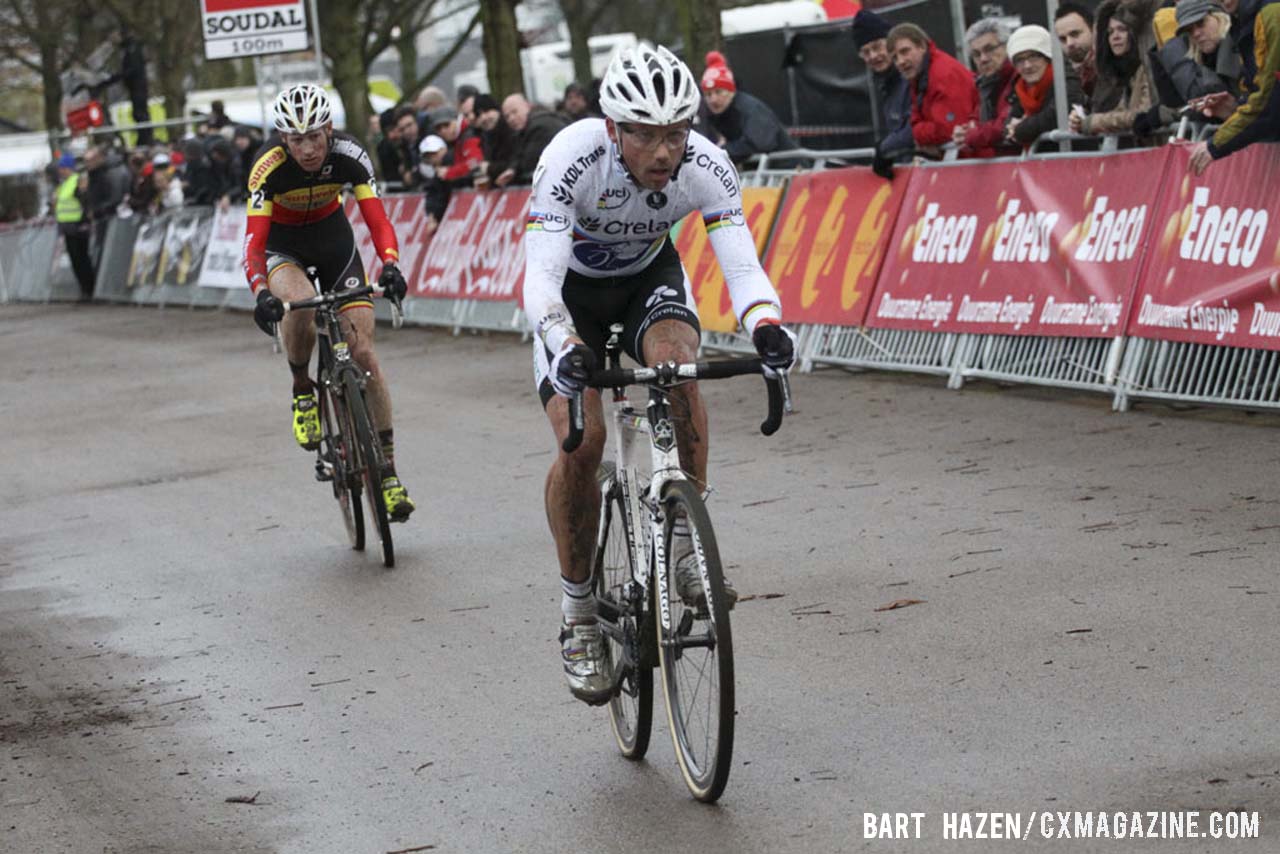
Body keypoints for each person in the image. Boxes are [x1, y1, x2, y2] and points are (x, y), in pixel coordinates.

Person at [522, 43, 796, 704]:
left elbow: (741, 265)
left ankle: (681, 547)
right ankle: (578, 614)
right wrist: (562, 342)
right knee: (581, 445)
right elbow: (541, 279)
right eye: (644, 134)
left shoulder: (707, 164)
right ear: (613, 128)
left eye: (676, 132)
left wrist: (766, 324)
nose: (663, 150)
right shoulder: (571, 157)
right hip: (572, 299)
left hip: (648, 279)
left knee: (677, 369)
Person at [241, 84, 416, 522]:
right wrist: (261, 292)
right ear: (284, 139)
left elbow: (377, 218)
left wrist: (390, 265)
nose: (307, 148)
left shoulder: (350, 155)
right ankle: (303, 389)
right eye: (297, 139)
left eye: (315, 136)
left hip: (333, 242)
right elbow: (254, 244)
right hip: (284, 250)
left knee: (364, 353)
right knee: (298, 303)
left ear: (329, 130)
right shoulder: (267, 168)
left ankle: (389, 474)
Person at [1187, 0, 1280, 173]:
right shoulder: (1244, 21)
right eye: (1189, 31)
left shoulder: (1271, 14)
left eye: (1201, 24)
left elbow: (1268, 105)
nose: (1197, 34)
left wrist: (1216, 143)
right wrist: (1235, 107)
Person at [1069, 0, 1160, 138]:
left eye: (1122, 30)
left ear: (1134, 33)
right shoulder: (1123, 74)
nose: (1115, 37)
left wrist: (1092, 122)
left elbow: (1141, 113)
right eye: (1110, 32)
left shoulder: (1144, 68)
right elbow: (1120, 111)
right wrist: (1084, 118)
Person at [887, 24, 979, 157]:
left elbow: (948, 129)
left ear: (922, 47)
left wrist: (919, 135)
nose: (900, 61)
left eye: (905, 51)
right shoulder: (920, 75)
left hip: (975, 163)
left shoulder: (942, 74)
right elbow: (916, 119)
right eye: (895, 58)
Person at [699, 50, 797, 165]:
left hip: (791, 171)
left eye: (718, 92)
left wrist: (720, 152)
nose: (713, 99)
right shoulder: (720, 114)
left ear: (731, 91)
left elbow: (759, 143)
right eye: (708, 94)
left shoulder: (751, 109)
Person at [1004, 25, 1087, 148]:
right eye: (1020, 60)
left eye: (1033, 56)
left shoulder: (1065, 79)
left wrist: (1020, 130)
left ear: (1048, 57)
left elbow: (1056, 115)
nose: (1027, 65)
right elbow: (1008, 125)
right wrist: (1011, 131)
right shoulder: (1020, 88)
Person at [854, 9, 912, 174]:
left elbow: (915, 129)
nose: (873, 56)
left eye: (877, 47)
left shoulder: (910, 78)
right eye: (866, 52)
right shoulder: (889, 86)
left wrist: (885, 149)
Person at [953, 18, 1020, 157]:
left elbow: (1003, 126)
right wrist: (964, 132)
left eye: (989, 49)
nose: (983, 59)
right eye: (976, 54)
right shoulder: (983, 84)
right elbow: (976, 122)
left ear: (1007, 46)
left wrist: (970, 136)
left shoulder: (1021, 75)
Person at [496, 94, 569, 186]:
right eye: (507, 116)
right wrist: (513, 169)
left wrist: (514, 172)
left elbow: (529, 163)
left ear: (527, 106)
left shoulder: (539, 127)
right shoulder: (528, 128)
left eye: (515, 112)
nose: (511, 119)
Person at [52, 153, 95, 301]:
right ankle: (84, 290)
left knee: (82, 259)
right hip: (68, 228)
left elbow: (85, 202)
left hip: (78, 226)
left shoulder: (77, 182)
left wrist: (85, 221)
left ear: (68, 168)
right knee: (75, 260)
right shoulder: (64, 184)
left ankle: (89, 289)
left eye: (62, 168)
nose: (60, 171)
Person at [1055, 3, 1100, 105]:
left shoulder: (1112, 65)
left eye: (1075, 34)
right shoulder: (1064, 76)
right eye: (1063, 39)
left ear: (1093, 30)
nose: (1069, 43)